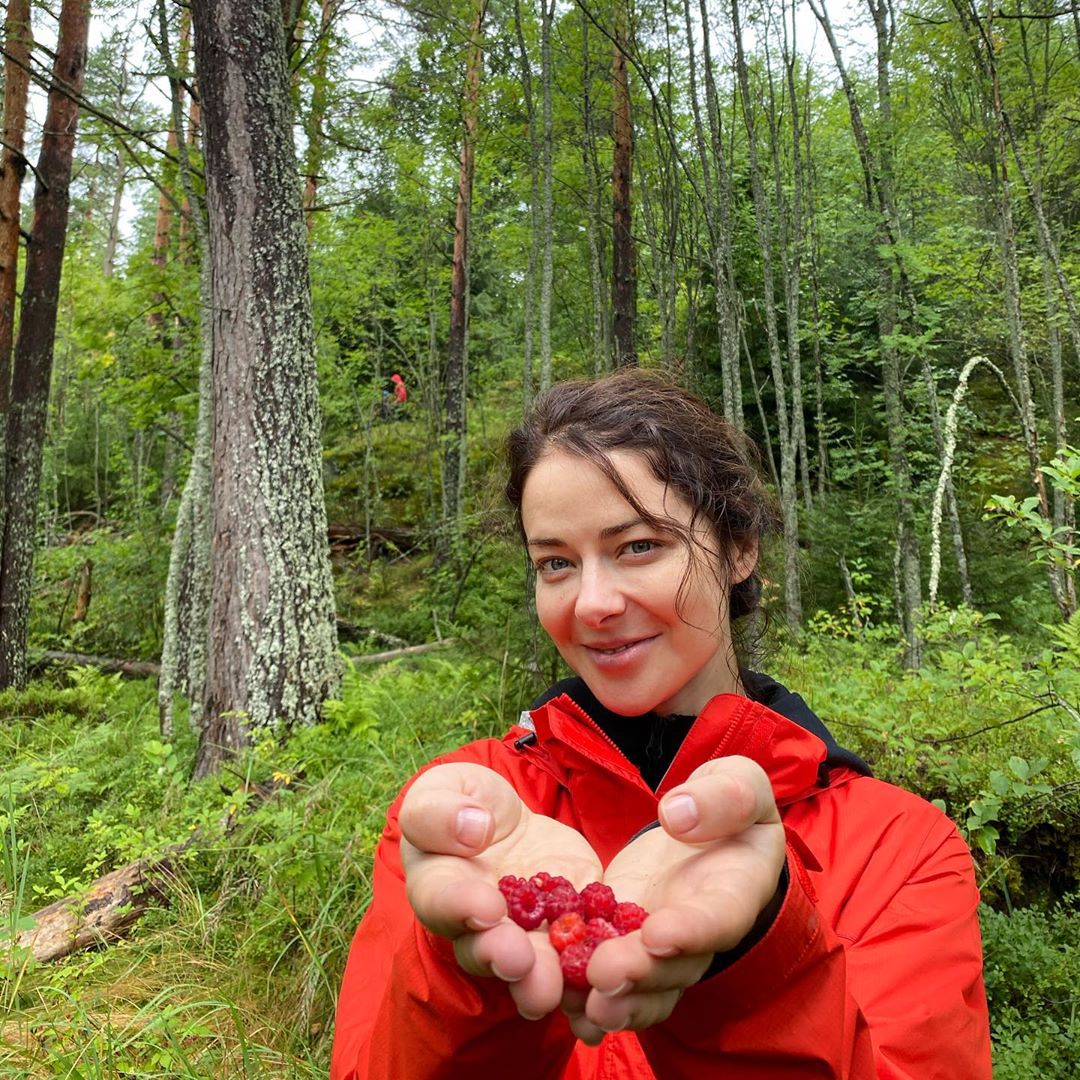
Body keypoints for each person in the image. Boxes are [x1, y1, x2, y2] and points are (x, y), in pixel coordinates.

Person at [330, 371, 992, 1079]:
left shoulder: (899, 849)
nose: (591, 603)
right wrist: (474, 979)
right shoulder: (465, 813)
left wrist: (754, 961)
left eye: (639, 546)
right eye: (555, 562)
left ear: (739, 550)